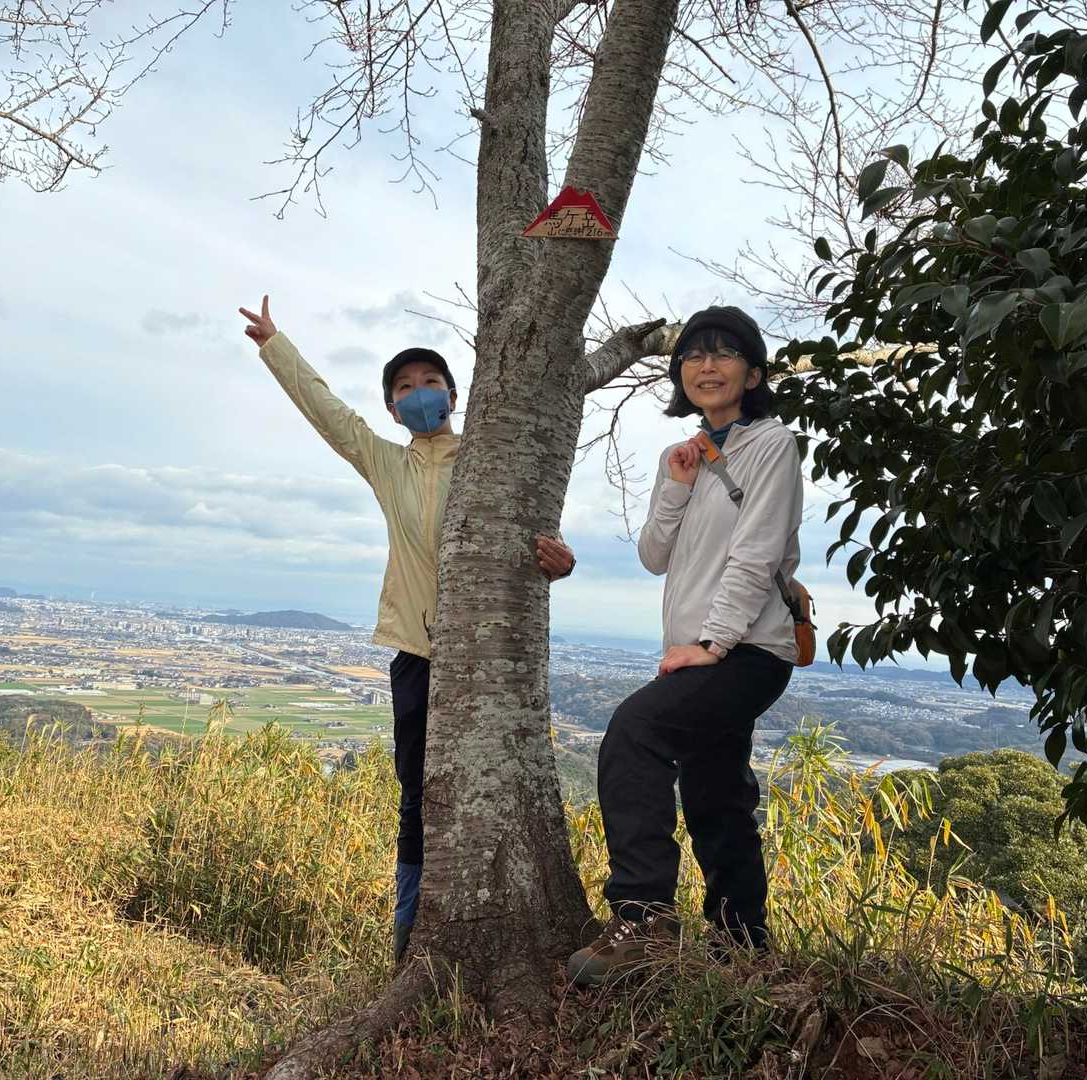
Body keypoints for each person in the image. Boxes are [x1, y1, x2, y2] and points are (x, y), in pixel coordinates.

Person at [239, 296, 577, 964]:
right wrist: (276, 345)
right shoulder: (389, 464)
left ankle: (510, 916)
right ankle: (410, 929)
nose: (419, 393)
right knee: (417, 793)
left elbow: (536, 531)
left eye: (430, 382)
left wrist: (558, 558)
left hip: (489, 652)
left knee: (500, 787)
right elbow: (330, 414)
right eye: (404, 387)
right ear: (393, 410)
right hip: (418, 653)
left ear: (455, 395)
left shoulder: (489, 459)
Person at [566, 305, 802, 988]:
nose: (706, 365)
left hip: (748, 650)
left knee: (635, 731)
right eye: (694, 355)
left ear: (753, 374)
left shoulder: (772, 445)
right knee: (716, 798)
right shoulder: (690, 455)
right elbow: (653, 555)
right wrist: (676, 483)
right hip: (706, 650)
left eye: (725, 353)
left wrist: (713, 643)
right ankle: (743, 948)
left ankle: (642, 919)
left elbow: (756, 555)